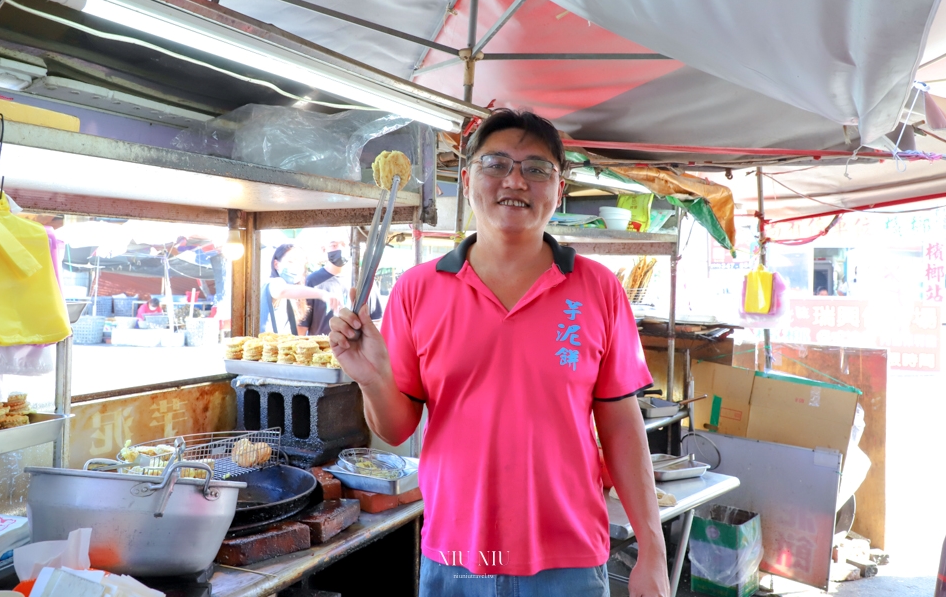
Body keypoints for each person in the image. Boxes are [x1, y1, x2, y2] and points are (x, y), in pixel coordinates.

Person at [330, 110, 669, 597]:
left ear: (560, 187)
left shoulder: (597, 288)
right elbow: (396, 427)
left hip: (569, 558)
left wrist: (653, 551)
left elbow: (621, 425)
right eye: (496, 164)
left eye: (536, 168)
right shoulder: (417, 290)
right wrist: (371, 378)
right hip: (456, 557)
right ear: (467, 178)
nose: (515, 180)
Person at [260, 244, 341, 335]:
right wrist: (323, 294)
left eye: (300, 263)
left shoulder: (293, 297)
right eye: (290, 261)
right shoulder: (273, 283)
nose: (296, 266)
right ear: (276, 264)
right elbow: (281, 290)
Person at [302, 245, 351, 336]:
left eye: (343, 244)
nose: (340, 249)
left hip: (353, 348)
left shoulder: (360, 280)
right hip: (321, 347)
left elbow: (375, 321)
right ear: (324, 249)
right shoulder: (312, 281)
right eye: (334, 245)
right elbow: (302, 325)